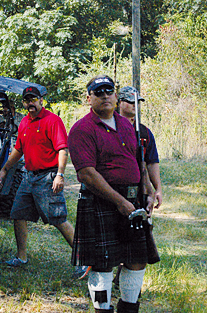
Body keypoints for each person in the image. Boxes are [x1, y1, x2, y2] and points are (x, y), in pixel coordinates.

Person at [68, 75, 158, 313]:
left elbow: (138, 161)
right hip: (101, 200)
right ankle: (103, 309)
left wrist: (147, 189)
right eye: (98, 92)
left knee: (137, 260)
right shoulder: (82, 129)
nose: (105, 95)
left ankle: (128, 309)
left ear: (116, 97)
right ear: (89, 98)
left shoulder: (128, 125)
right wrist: (119, 201)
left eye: (109, 91)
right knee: (102, 264)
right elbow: (87, 174)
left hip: (132, 199)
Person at [0, 86, 86, 277]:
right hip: (29, 176)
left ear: (41, 100)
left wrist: (60, 175)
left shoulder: (52, 121)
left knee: (58, 218)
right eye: (27, 101)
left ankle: (83, 260)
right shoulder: (24, 123)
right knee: (18, 214)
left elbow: (63, 149)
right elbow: (18, 149)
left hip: (48, 177)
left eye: (33, 100)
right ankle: (21, 257)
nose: (30, 104)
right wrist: (4, 169)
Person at [118, 86, 162, 209]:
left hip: (139, 188)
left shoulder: (144, 133)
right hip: (115, 187)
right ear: (120, 103)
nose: (134, 105)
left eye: (137, 102)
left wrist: (157, 189)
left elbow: (152, 162)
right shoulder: (110, 128)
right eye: (130, 101)